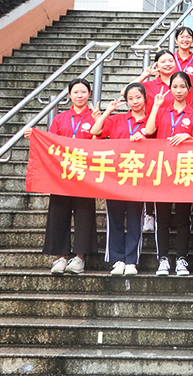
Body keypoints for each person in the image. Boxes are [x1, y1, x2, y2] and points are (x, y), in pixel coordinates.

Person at [24, 78, 97, 275]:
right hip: (61, 175)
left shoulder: (95, 117)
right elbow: (50, 143)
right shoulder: (60, 118)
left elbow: (101, 144)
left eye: (83, 92)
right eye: (76, 92)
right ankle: (61, 256)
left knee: (84, 214)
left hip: (85, 176)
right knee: (58, 213)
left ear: (89, 94)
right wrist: (36, 137)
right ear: (69, 95)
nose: (80, 95)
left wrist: (99, 122)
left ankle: (80, 257)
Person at [90, 83, 149, 276]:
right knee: (114, 219)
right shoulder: (118, 119)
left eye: (138, 97)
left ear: (144, 98)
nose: (134, 101)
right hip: (115, 178)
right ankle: (117, 260)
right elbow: (95, 131)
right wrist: (108, 111)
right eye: (130, 98)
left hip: (139, 178)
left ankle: (131, 260)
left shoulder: (150, 121)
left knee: (134, 220)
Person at [143, 71, 193, 276]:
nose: (178, 90)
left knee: (183, 218)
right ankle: (163, 259)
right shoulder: (163, 111)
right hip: (163, 170)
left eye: (183, 86)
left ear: (189, 89)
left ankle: (182, 259)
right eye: (174, 86)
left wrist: (189, 137)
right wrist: (156, 105)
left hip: (185, 169)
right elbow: (149, 130)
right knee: (163, 219)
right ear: (170, 89)